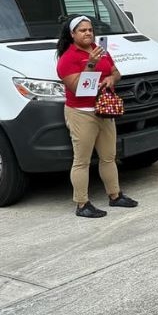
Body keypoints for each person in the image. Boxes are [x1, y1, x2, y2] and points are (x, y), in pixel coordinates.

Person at [56, 15, 138, 217]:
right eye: (82, 30)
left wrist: (111, 78)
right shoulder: (67, 59)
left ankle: (115, 196)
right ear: (72, 34)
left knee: (109, 157)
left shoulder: (100, 50)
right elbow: (78, 89)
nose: (88, 33)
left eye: (90, 30)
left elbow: (116, 72)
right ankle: (82, 204)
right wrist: (91, 64)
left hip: (104, 110)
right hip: (81, 113)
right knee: (82, 160)